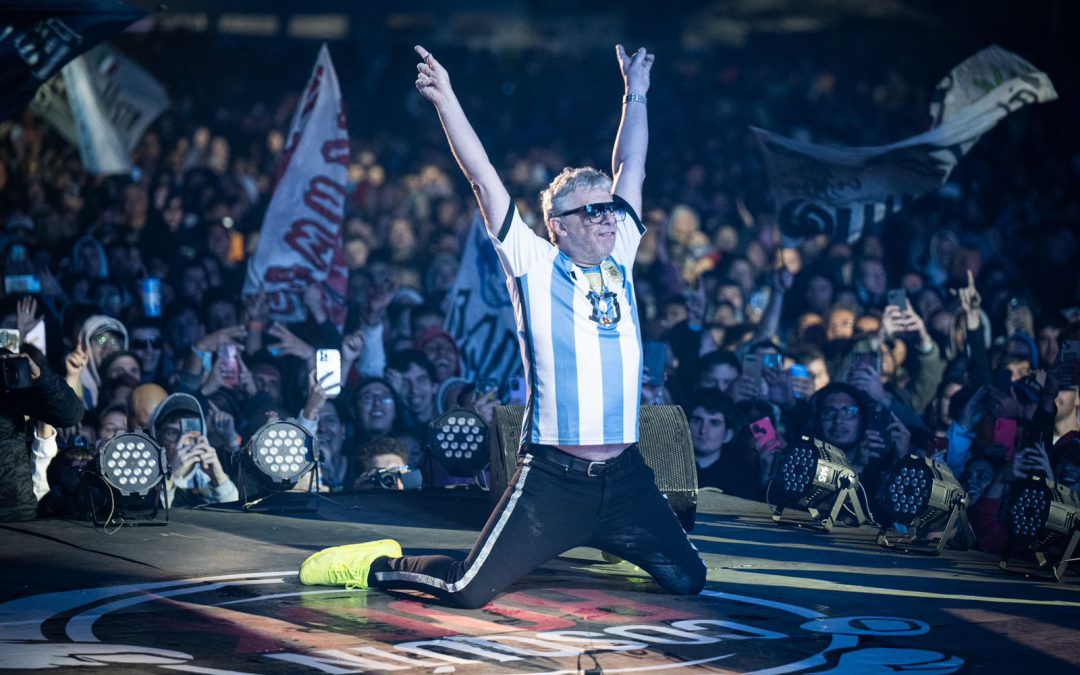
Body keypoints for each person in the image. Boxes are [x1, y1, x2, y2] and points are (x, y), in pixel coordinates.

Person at [300, 43, 705, 607]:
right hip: (553, 481)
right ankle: (374, 564)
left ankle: (618, 537)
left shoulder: (624, 251)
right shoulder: (535, 265)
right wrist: (445, 98)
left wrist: (635, 91)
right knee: (466, 589)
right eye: (591, 210)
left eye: (608, 207)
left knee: (691, 579)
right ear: (558, 228)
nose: (607, 216)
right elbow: (483, 177)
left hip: (627, 479)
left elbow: (630, 166)